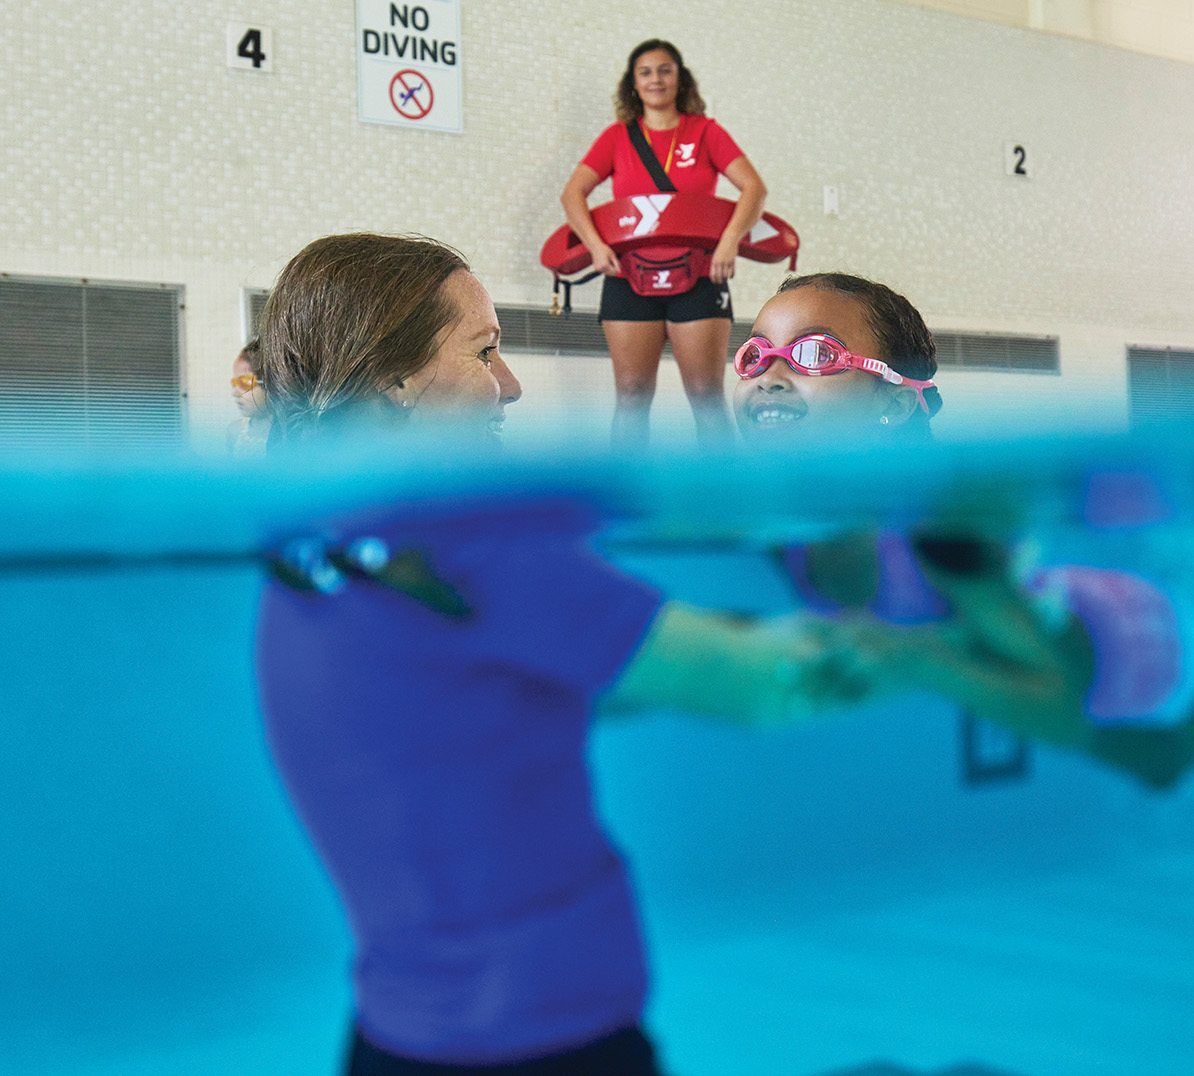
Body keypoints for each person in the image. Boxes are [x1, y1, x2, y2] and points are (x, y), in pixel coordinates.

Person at [252, 234, 917, 1075]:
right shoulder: (467, 548)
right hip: (545, 1033)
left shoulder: (313, 546)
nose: (512, 385)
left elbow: (476, 713)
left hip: (398, 1030)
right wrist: (939, 632)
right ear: (395, 381)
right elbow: (757, 687)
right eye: (486, 351)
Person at [734, 272, 1194, 789]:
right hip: (1065, 631)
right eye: (754, 355)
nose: (768, 374)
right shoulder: (779, 530)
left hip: (1127, 642)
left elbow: (1059, 710)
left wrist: (918, 660)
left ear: (892, 405)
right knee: (1171, 760)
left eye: (816, 355)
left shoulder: (939, 534)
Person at [560, 38, 767, 449]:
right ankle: (629, 502)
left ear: (680, 77)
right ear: (633, 84)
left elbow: (754, 188)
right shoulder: (617, 137)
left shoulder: (706, 132)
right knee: (632, 395)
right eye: (646, 71)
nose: (656, 78)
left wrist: (728, 244)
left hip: (700, 274)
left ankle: (721, 503)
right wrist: (598, 248)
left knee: (706, 395)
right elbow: (572, 194)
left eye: (665, 69)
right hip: (627, 276)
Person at [228, 338, 270, 457]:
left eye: (244, 383)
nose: (234, 393)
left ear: (272, 385)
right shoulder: (235, 432)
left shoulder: (290, 434)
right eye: (234, 383)